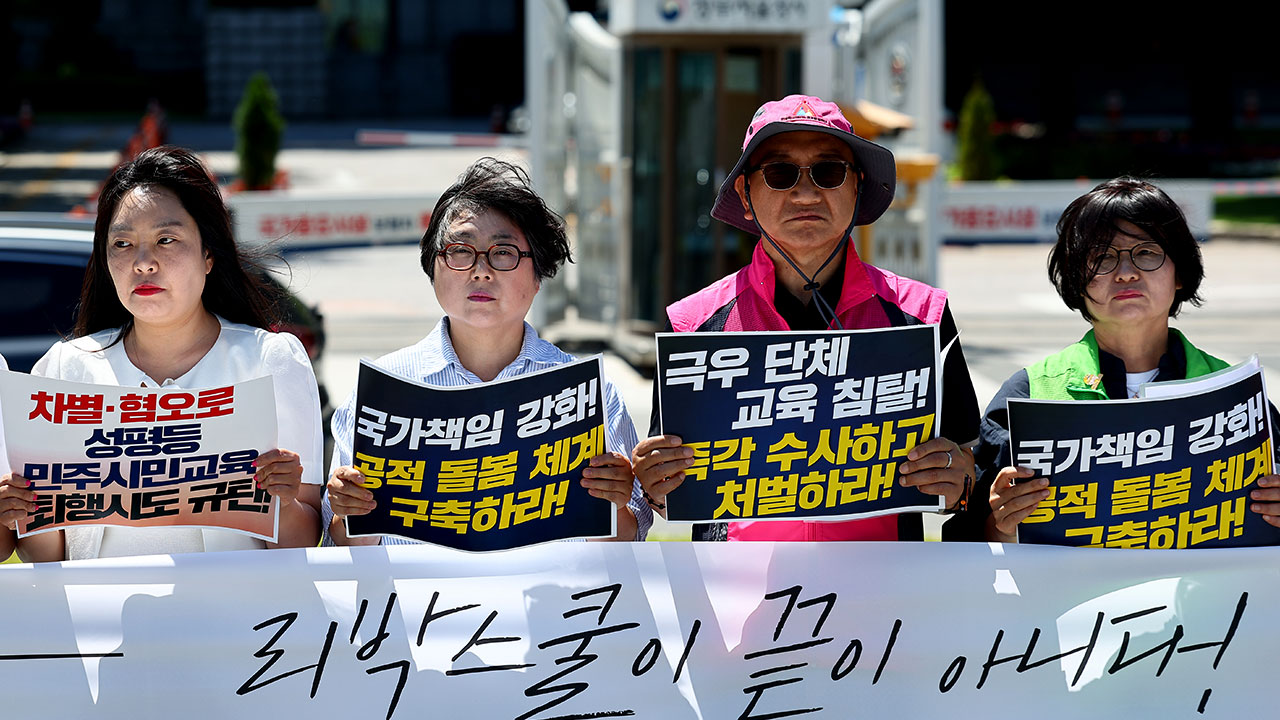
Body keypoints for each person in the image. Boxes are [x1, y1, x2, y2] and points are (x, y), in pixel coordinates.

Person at [631, 94, 981, 541]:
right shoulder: (692, 325)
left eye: (828, 171)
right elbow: (666, 490)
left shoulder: (923, 315)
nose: (806, 193)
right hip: (733, 584)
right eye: (780, 173)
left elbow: (970, 470)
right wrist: (655, 485)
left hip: (885, 583)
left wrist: (959, 481)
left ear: (857, 187)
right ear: (744, 194)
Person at [0, 146, 324, 562]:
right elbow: (49, 557)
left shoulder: (270, 361)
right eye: (122, 243)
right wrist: (23, 512)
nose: (143, 263)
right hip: (97, 606)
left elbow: (303, 542)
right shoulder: (63, 369)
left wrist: (283, 501)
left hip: (233, 605)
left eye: (166, 239)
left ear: (208, 254)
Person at [324, 158, 651, 545]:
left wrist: (613, 504)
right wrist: (349, 512)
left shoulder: (591, 395)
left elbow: (629, 542)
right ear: (433, 267)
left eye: (504, 252)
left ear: (538, 276)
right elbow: (341, 545)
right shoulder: (380, 391)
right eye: (461, 251)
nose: (481, 270)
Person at [977, 177, 1280, 542]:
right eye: (1102, 258)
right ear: (1076, 279)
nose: (1126, 273)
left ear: (1180, 272)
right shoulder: (1028, 394)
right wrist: (1001, 524)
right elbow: (971, 540)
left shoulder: (1238, 394)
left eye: (1147, 252)